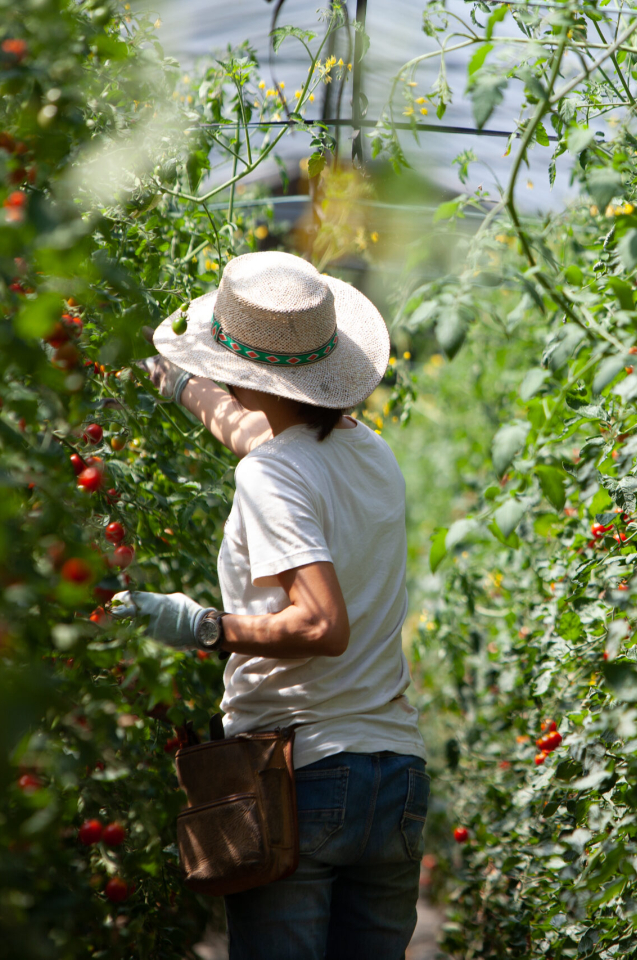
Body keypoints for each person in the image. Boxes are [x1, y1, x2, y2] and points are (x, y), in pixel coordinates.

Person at [112, 251, 427, 960]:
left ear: (245, 371)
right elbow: (253, 432)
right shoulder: (372, 453)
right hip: (395, 776)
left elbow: (321, 625)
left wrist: (200, 626)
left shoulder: (270, 475)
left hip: (299, 778)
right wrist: (179, 384)